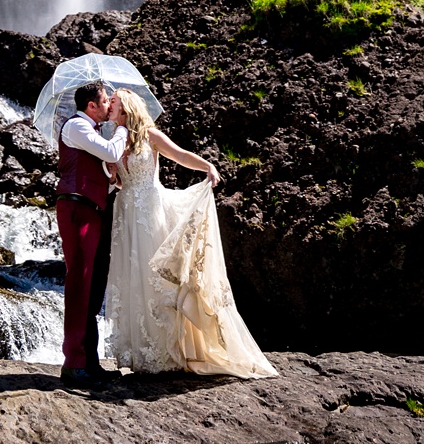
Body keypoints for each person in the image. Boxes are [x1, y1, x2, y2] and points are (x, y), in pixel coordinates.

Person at [104, 88, 277, 378]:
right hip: (127, 211)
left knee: (156, 278)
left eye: (114, 102)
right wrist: (112, 173)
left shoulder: (149, 134)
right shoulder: (114, 140)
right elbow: (119, 183)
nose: (109, 105)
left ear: (127, 107)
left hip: (149, 209)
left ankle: (169, 350)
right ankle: (142, 351)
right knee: (132, 279)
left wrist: (207, 166)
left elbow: (180, 155)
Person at [55, 81, 128, 385]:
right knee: (80, 282)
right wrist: (122, 126)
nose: (110, 106)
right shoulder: (76, 127)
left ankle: (90, 361)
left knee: (94, 285)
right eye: (105, 101)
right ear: (92, 106)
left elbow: (104, 172)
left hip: (93, 209)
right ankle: (74, 363)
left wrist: (111, 176)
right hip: (76, 208)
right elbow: (111, 150)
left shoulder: (92, 132)